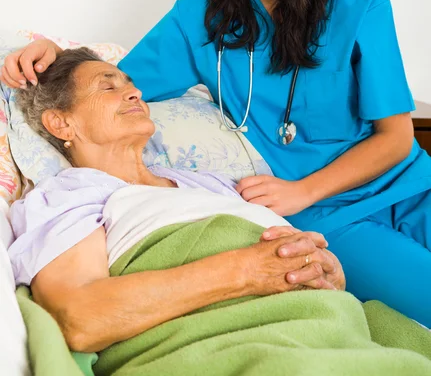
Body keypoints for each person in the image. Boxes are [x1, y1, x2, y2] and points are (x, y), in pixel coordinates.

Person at [2, 0, 430, 327]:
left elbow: (397, 138)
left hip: (410, 184)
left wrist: (305, 188)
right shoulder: (201, 18)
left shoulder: (361, 3)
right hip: (331, 219)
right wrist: (53, 56)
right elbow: (110, 89)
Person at [8, 48, 345, 354]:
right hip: (237, 346)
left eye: (130, 84)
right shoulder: (66, 195)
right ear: (61, 123)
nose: (135, 92)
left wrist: (328, 271)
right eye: (108, 87)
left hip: (327, 327)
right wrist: (247, 270)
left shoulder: (213, 183)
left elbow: (293, 258)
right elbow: (80, 318)